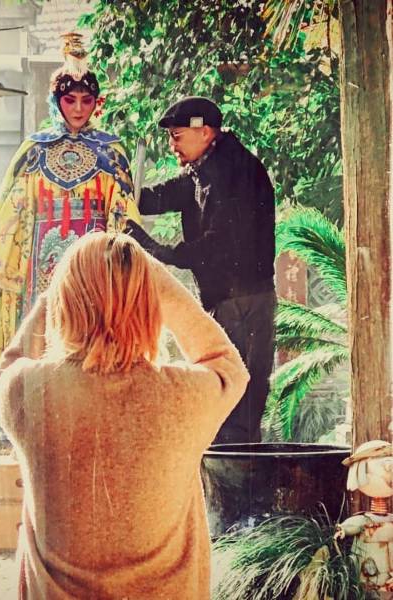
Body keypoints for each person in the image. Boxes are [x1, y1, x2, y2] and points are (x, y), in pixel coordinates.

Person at [0, 231, 249, 599]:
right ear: (151, 304)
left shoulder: (30, 391)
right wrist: (158, 283)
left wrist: (52, 298)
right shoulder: (181, 394)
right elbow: (229, 366)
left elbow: (2, 372)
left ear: (65, 302)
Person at [0, 33, 140, 412]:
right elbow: (13, 207)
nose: (78, 108)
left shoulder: (111, 151)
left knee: (93, 330)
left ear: (97, 103)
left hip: (94, 262)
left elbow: (122, 212)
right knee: (42, 331)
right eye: (70, 100)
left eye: (86, 100)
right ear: (56, 100)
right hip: (41, 260)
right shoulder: (34, 150)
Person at [126, 96, 275, 444]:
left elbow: (218, 244)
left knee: (233, 403)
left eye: (177, 136)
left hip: (241, 303)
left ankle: (234, 473)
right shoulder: (206, 168)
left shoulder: (232, 173)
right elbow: (165, 195)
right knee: (230, 402)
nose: (172, 146)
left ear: (205, 132)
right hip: (230, 299)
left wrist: (158, 250)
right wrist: (123, 195)